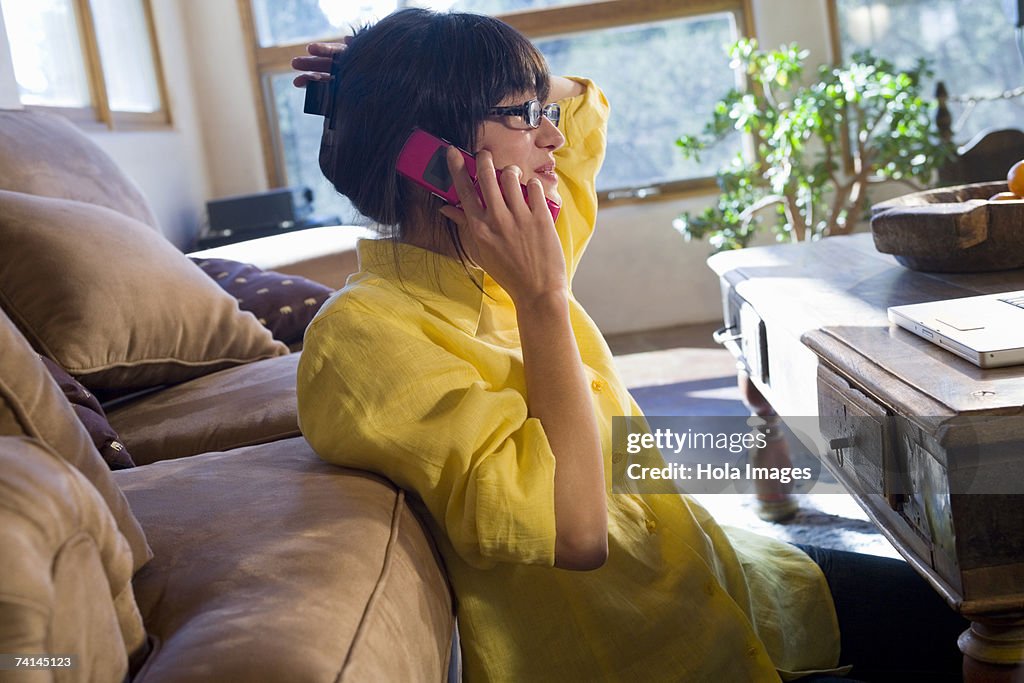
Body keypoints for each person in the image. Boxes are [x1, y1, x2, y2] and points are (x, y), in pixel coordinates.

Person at [293, 9, 966, 681]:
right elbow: (576, 532)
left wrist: (427, 74)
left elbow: (586, 104)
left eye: (538, 107)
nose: (552, 136)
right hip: (651, 653)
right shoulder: (367, 337)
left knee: (971, 609)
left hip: (737, 585)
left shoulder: (509, 251)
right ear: (433, 158)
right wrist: (542, 299)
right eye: (521, 115)